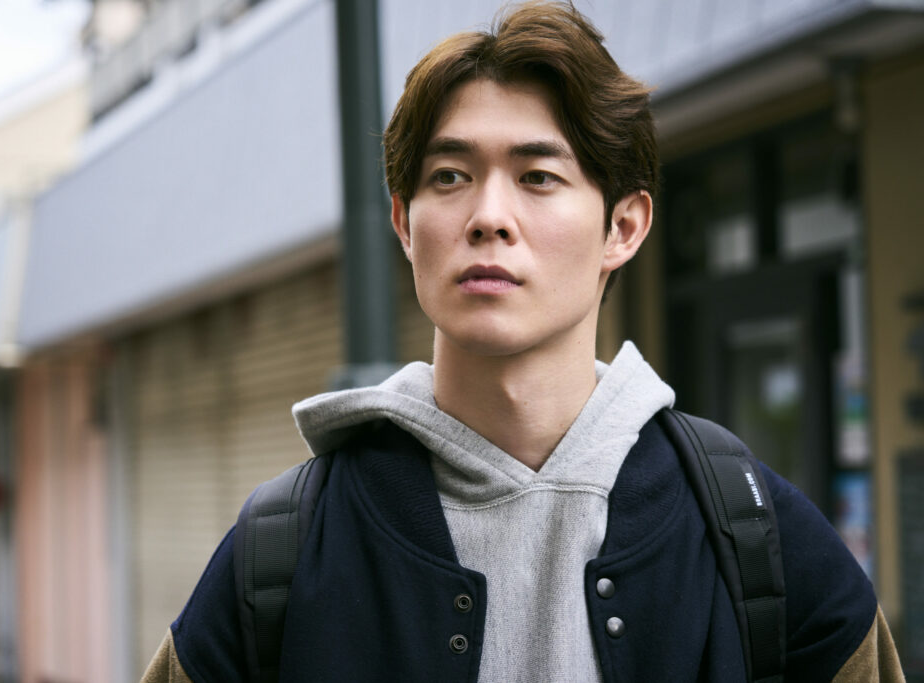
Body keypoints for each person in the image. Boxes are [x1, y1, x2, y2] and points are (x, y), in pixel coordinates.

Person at [142, 2, 904, 681]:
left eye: (537, 176)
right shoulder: (282, 547)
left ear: (623, 226)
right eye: (449, 176)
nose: (488, 217)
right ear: (404, 223)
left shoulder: (757, 534)